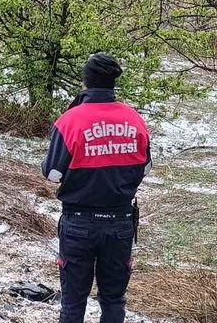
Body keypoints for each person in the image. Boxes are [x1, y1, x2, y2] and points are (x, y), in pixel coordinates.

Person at [41, 53, 152, 323]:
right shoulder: (134, 119)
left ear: (85, 82)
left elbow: (53, 174)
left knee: (73, 302)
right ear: (113, 83)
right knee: (114, 299)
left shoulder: (70, 121)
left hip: (78, 224)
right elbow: (146, 167)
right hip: (120, 224)